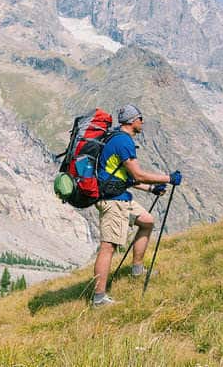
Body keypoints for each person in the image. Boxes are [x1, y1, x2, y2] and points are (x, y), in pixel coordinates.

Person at [92, 104, 181, 307]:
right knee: (108, 247)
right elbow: (138, 175)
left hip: (121, 196)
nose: (143, 122)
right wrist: (168, 178)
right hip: (113, 201)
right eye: (140, 118)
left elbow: (125, 177)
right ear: (133, 121)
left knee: (147, 221)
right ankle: (99, 298)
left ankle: (137, 270)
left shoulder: (116, 138)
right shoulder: (124, 142)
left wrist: (151, 190)